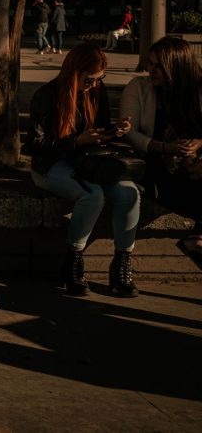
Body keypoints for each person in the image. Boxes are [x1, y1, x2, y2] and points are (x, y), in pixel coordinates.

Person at [27, 42, 140, 298]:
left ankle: (122, 263)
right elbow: (35, 144)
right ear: (74, 72)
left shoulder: (96, 92)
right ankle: (73, 261)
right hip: (51, 164)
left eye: (99, 79)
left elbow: (100, 129)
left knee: (129, 193)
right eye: (89, 80)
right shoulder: (47, 95)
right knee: (92, 196)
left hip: (89, 161)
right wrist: (75, 142)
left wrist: (115, 131)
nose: (93, 85)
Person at [120, 36, 202, 255]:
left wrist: (198, 143)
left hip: (194, 165)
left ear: (177, 66)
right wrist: (165, 148)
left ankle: (196, 239)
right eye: (150, 63)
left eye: (159, 66)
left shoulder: (197, 89)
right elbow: (129, 134)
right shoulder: (139, 88)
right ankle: (196, 239)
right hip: (155, 166)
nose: (151, 70)